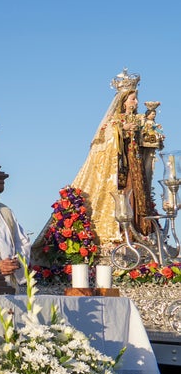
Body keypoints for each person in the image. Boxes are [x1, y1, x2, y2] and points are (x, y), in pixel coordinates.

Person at [67, 69, 153, 245]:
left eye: (136, 98)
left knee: (137, 197)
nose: (136, 102)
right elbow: (103, 139)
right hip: (120, 167)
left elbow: (147, 139)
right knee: (124, 195)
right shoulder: (114, 121)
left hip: (135, 166)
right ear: (123, 101)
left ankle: (140, 232)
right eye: (133, 99)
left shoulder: (139, 119)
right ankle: (123, 233)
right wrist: (121, 130)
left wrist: (152, 137)